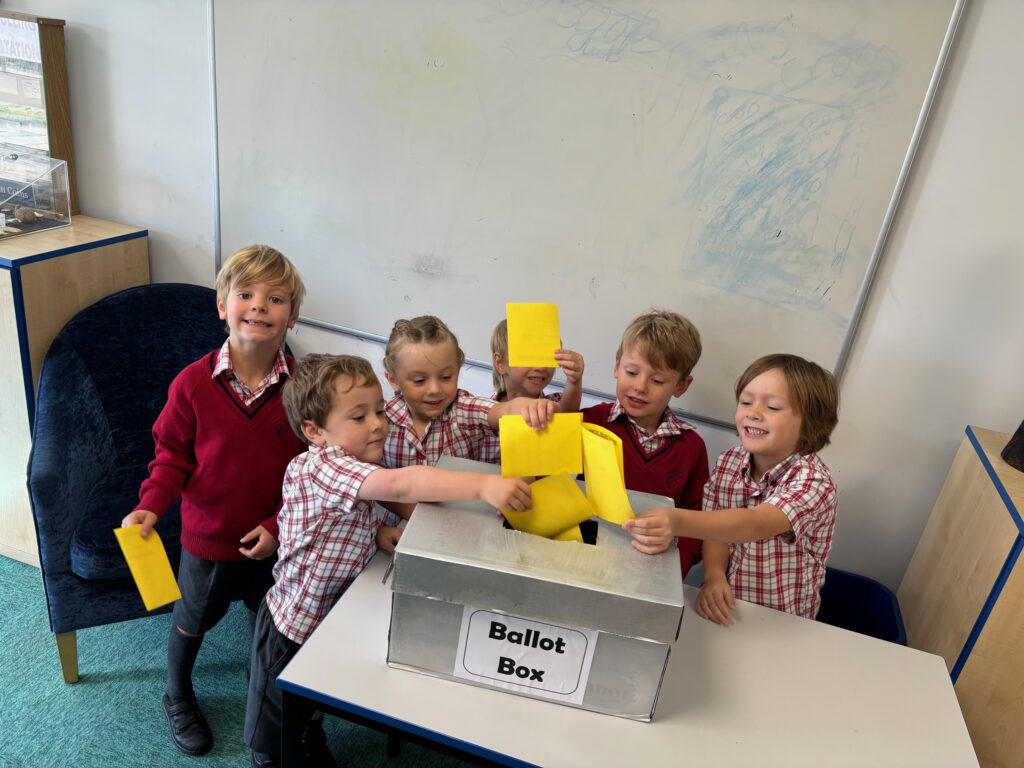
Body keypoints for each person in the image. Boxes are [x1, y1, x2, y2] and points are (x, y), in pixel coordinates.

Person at [245, 354, 534, 768]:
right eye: (359, 417)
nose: (378, 423)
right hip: (292, 624)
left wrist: (377, 534)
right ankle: (274, 756)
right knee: (271, 724)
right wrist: (485, 485)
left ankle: (309, 735)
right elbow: (399, 484)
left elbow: (355, 512)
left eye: (379, 410)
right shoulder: (322, 465)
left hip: (334, 614)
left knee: (315, 695)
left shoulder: (358, 461)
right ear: (315, 431)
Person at [120, 244, 306, 757]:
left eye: (276, 298)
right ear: (222, 306)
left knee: (268, 622)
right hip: (206, 540)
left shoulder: (305, 389)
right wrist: (152, 505)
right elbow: (170, 457)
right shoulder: (192, 384)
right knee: (190, 619)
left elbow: (313, 473)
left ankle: (264, 701)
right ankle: (176, 693)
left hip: (276, 540)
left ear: (293, 315)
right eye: (245, 294)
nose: (259, 306)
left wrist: (276, 524)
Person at [623, 353, 840, 623]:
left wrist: (676, 520)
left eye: (772, 407)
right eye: (745, 402)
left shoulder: (814, 482)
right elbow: (716, 529)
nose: (753, 413)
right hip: (727, 605)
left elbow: (755, 523)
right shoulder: (730, 461)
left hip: (784, 619)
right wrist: (714, 576)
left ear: (811, 421)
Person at [581, 310, 709, 578]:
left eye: (657, 380)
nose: (640, 387)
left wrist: (675, 568)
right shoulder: (590, 422)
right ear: (617, 367)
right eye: (631, 371)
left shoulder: (691, 448)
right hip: (584, 559)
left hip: (648, 569)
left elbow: (697, 524)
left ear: (682, 385)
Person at [381, 315, 554, 475]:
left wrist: (532, 407)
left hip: (459, 508)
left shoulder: (464, 409)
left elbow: (504, 409)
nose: (434, 389)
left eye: (446, 377)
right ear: (393, 380)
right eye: (419, 380)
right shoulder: (382, 418)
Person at [479, 318, 586, 463]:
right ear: (500, 363)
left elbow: (566, 415)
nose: (540, 368)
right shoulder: (482, 413)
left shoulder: (554, 404)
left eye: (546, 358)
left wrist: (575, 381)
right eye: (529, 357)